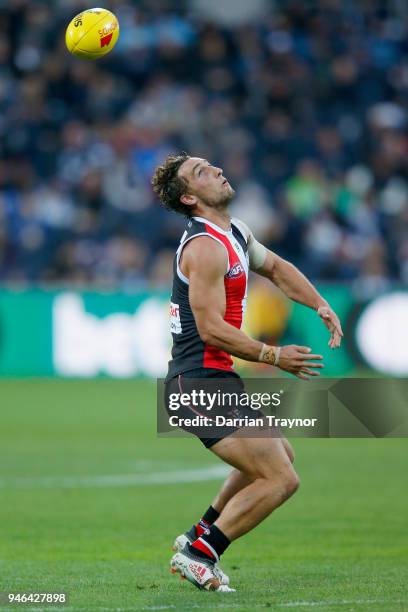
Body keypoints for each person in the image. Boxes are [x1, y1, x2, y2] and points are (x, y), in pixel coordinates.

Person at [151, 153, 343, 593]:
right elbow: (210, 329)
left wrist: (319, 304)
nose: (216, 170)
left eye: (210, 165)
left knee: (281, 458)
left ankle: (200, 532)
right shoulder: (203, 248)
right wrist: (274, 356)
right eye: (202, 172)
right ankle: (201, 554)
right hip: (196, 384)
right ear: (190, 197)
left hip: (214, 380)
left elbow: (275, 268)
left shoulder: (234, 231)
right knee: (280, 478)